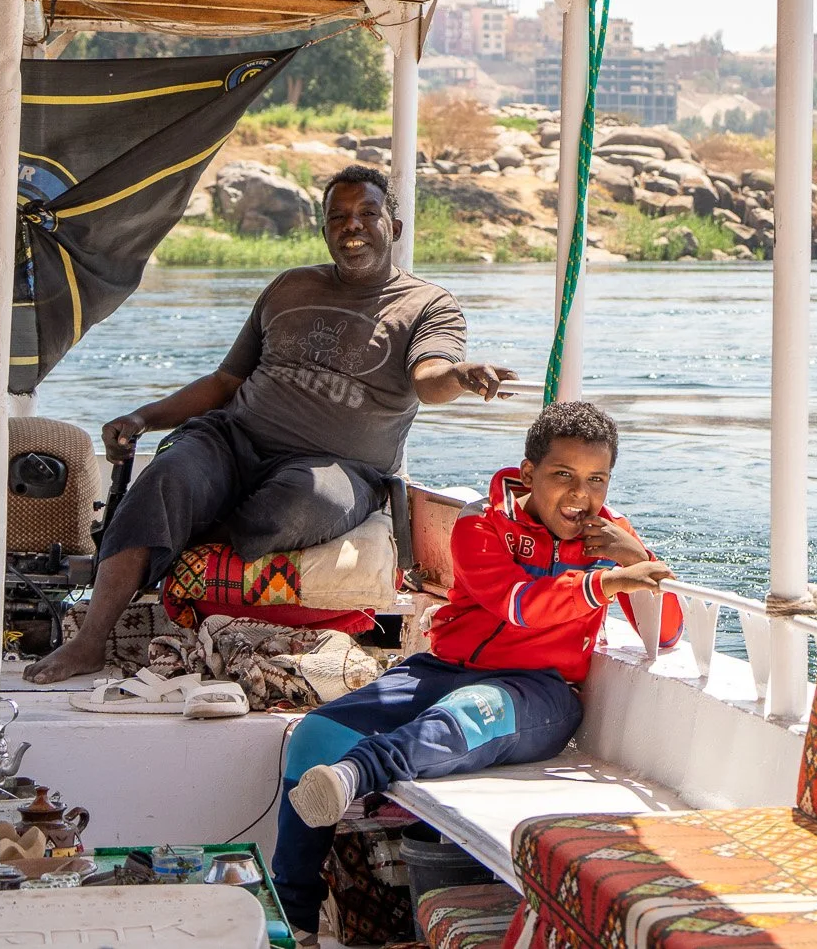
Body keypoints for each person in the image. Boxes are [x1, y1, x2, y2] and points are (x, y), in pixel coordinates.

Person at [25, 165, 515, 683]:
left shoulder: (427, 305)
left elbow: (429, 378)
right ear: (324, 230)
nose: (353, 226)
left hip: (341, 467)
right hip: (234, 440)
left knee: (302, 505)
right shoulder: (289, 287)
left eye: (368, 214)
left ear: (393, 228)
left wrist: (461, 375)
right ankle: (91, 641)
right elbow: (225, 381)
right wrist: (143, 416)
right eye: (338, 217)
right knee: (166, 477)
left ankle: (181, 534)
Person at [271, 400, 678, 943]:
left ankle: (356, 775)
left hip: (541, 692)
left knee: (462, 716)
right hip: (443, 668)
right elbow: (516, 604)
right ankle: (293, 919)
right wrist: (605, 583)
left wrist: (634, 553)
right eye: (564, 476)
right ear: (529, 474)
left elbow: (668, 631)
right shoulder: (481, 524)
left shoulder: (612, 539)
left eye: (596, 480)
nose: (581, 497)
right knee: (312, 737)